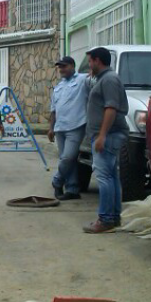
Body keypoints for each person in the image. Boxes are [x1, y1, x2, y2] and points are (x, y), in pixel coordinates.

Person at [82, 47, 129, 233]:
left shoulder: (109, 80)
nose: (89, 65)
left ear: (97, 61)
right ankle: (113, 217)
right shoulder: (104, 79)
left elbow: (111, 109)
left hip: (107, 136)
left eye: (90, 61)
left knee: (104, 177)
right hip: (107, 135)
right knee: (111, 176)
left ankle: (106, 219)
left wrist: (102, 135)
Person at [48, 56, 90, 201]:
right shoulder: (59, 87)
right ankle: (72, 189)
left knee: (68, 157)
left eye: (64, 66)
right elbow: (53, 110)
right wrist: (51, 128)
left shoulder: (83, 80)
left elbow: (96, 79)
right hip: (60, 127)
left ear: (72, 66)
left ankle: (57, 181)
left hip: (76, 125)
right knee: (66, 159)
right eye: (60, 67)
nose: (61, 70)